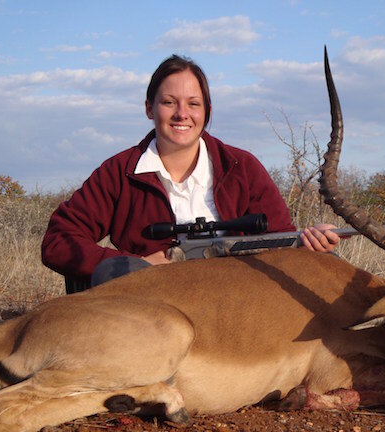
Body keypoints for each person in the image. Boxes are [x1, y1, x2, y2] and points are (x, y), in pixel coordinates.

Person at [42, 54, 339, 291]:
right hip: (152, 300)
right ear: (149, 108)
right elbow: (58, 241)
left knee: (328, 264)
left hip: (238, 298)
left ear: (206, 111)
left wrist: (308, 243)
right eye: (169, 102)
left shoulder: (242, 167)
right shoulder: (119, 172)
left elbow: (279, 238)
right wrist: (136, 265)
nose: (181, 114)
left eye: (193, 104)